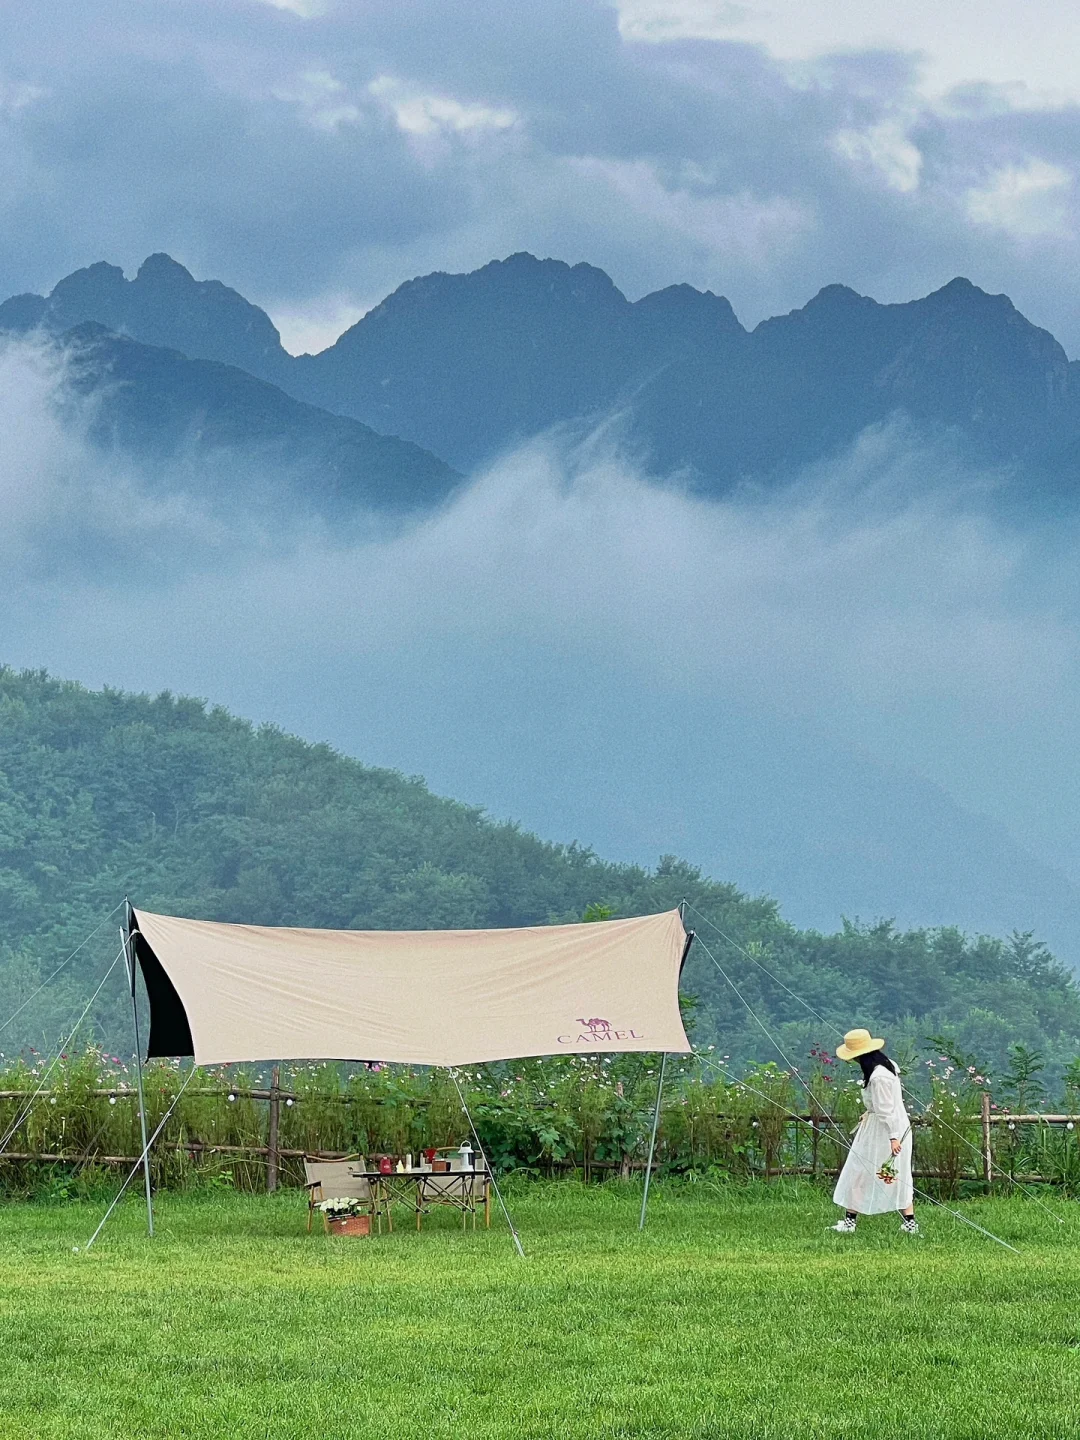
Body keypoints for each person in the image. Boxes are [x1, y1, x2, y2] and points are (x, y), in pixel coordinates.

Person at [829, 1027, 919, 1235]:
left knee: (880, 1172)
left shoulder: (878, 1077)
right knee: (868, 1172)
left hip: (885, 1130)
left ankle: (908, 1223)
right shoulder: (888, 1067)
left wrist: (893, 1138)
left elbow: (886, 1109)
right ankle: (852, 1221)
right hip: (884, 1127)